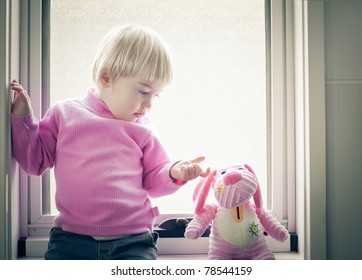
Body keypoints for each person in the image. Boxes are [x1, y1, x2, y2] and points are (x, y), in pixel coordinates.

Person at [10, 24, 210, 260]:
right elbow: (34, 161)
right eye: (143, 92)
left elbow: (154, 181)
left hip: (132, 242)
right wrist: (22, 117)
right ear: (107, 78)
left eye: (155, 95)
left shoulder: (142, 128)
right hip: (70, 241)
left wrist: (175, 173)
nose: (149, 105)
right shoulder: (64, 114)